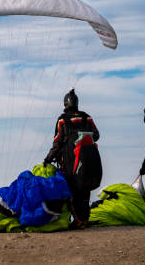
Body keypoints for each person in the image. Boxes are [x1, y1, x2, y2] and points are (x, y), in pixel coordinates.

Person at [44, 89, 100, 229]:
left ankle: (78, 221)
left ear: (65, 104)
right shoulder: (87, 117)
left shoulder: (63, 120)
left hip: (70, 159)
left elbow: (57, 143)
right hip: (90, 158)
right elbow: (96, 135)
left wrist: (48, 159)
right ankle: (84, 219)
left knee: (73, 189)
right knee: (85, 188)